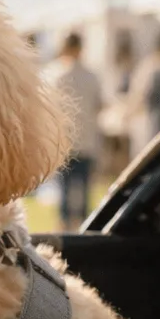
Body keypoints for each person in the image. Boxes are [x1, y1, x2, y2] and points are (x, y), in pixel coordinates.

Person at [44, 33, 104, 229]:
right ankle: (85, 230)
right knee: (84, 191)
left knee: (64, 192)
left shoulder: (55, 74)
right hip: (86, 141)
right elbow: (99, 105)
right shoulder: (91, 76)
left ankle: (63, 229)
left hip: (64, 142)